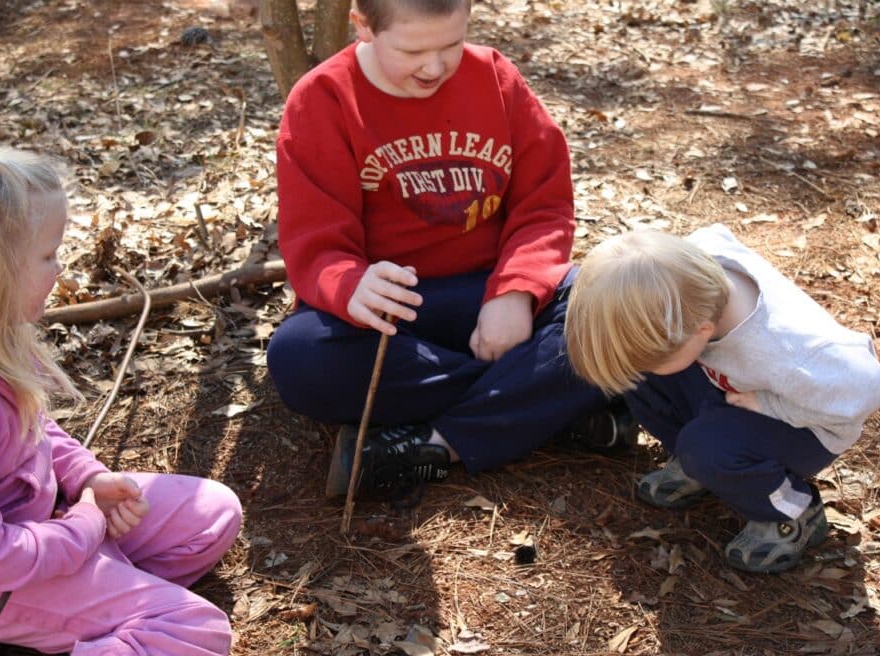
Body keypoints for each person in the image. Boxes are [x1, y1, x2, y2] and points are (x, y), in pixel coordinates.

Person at [0, 141, 242, 656]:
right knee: (193, 630)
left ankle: (99, 614)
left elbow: (33, 429)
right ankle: (110, 634)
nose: (61, 267)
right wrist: (84, 526)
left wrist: (88, 478)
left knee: (213, 512)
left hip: (38, 523)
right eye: (47, 255)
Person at [266, 0, 634, 501]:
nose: (434, 66)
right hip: (391, 308)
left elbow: (544, 206)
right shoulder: (324, 98)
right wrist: (352, 283)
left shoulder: (497, 79)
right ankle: (552, 403)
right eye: (413, 49)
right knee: (300, 358)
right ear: (364, 26)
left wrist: (517, 293)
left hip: (487, 292)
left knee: (611, 307)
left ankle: (435, 446)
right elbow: (315, 240)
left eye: (452, 44)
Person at [565, 225, 880, 573]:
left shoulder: (786, 352)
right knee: (641, 377)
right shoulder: (690, 278)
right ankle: (699, 465)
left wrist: (771, 405)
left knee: (707, 447)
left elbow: (869, 387)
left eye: (659, 357)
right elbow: (713, 233)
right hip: (737, 386)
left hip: (805, 424)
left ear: (701, 332)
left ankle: (793, 512)